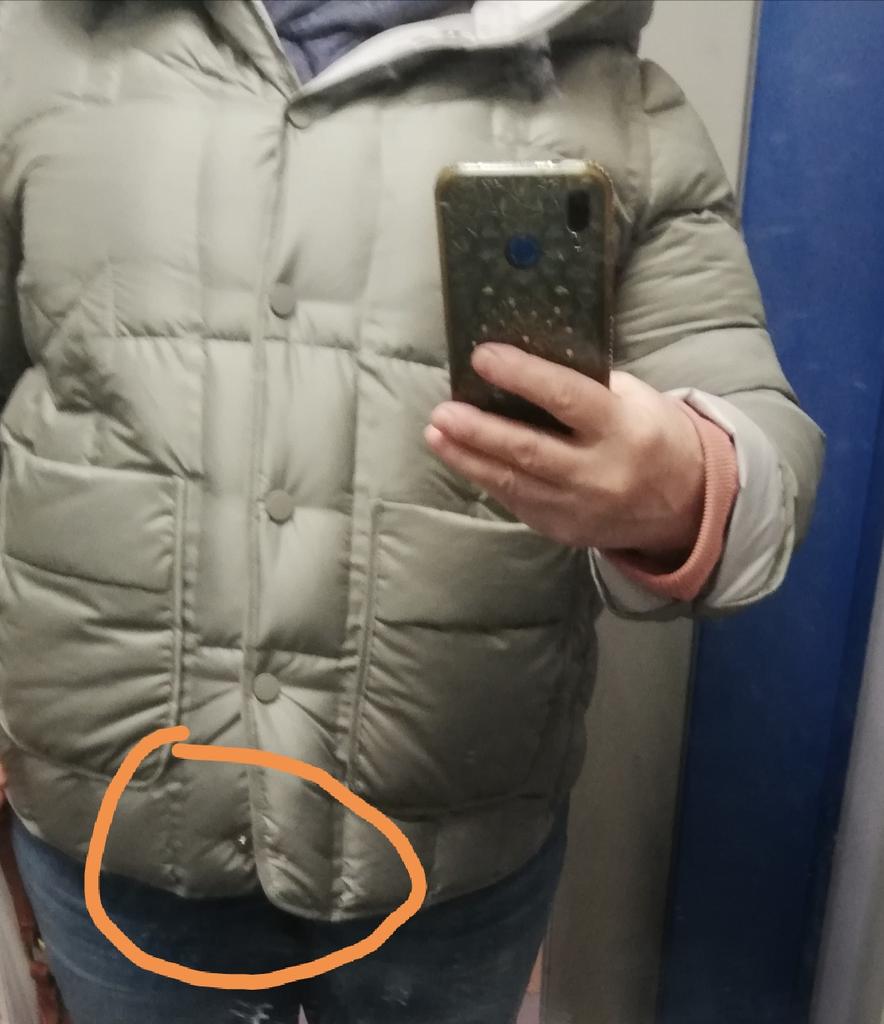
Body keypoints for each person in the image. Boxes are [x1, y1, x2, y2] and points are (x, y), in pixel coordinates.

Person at [0, 1, 824, 1022]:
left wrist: (689, 481)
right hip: (116, 833)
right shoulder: (42, 48)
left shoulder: (616, 104)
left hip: (450, 858)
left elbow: (762, 441)